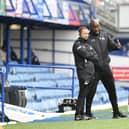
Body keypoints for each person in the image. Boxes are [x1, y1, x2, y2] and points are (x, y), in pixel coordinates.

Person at [86, 19, 127, 119]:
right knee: (91, 92)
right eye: (94, 27)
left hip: (106, 69)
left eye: (97, 26)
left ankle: (116, 112)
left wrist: (117, 47)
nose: (96, 28)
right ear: (90, 27)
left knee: (112, 90)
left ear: (100, 26)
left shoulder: (105, 35)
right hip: (94, 69)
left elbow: (112, 46)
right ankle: (88, 113)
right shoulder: (88, 38)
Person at [72, 26, 99, 120]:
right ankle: (78, 114)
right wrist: (91, 55)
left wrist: (91, 55)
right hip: (83, 72)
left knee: (89, 94)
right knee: (83, 93)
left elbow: (96, 56)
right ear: (80, 34)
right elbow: (88, 55)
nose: (87, 35)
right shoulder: (77, 44)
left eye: (87, 33)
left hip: (91, 72)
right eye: (85, 33)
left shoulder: (88, 44)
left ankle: (85, 113)